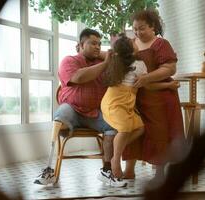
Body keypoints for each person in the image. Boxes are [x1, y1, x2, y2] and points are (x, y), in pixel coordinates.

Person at [34, 28, 126, 187]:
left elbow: (121, 59)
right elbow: (79, 77)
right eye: (92, 43)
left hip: (95, 114)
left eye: (99, 44)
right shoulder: (69, 61)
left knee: (115, 126)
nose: (97, 47)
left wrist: (106, 57)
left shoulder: (101, 63)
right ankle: (48, 170)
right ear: (80, 46)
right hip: (73, 110)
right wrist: (106, 62)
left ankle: (106, 170)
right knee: (60, 115)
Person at [100, 35, 180, 179]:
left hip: (126, 103)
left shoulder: (125, 62)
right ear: (130, 51)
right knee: (125, 129)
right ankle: (115, 159)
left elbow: (146, 83)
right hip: (114, 102)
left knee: (139, 127)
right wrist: (168, 84)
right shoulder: (137, 65)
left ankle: (117, 146)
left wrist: (168, 84)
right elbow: (148, 85)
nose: (135, 40)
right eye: (132, 42)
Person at [122, 9, 185, 183]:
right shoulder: (131, 44)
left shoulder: (161, 44)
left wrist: (146, 78)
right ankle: (128, 170)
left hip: (160, 97)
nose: (137, 32)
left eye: (141, 28)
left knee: (159, 134)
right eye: (134, 29)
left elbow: (170, 68)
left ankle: (159, 172)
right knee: (131, 129)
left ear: (153, 27)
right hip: (134, 97)